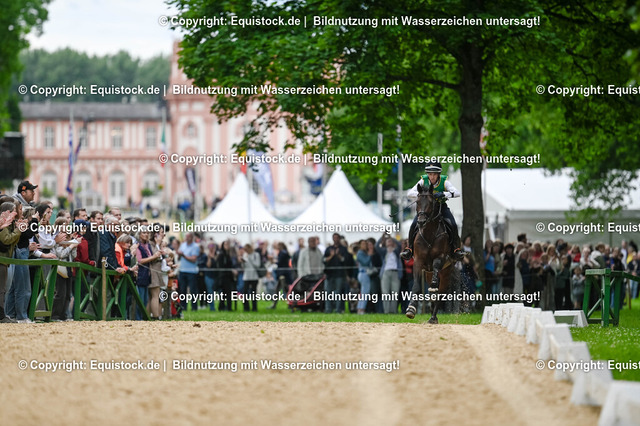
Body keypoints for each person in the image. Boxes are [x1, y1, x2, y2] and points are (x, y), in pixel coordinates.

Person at [401, 161, 464, 261]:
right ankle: (409, 249)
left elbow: (457, 193)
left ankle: (456, 249)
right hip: (426, 209)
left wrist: (444, 194)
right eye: (430, 174)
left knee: (453, 224)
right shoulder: (423, 181)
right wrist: (424, 195)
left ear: (438, 174)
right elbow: (410, 193)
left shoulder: (445, 181)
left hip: (441, 207)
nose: (432, 177)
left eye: (434, 174)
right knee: (413, 225)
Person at [324, 233, 349, 313]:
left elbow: (345, 260)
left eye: (337, 238)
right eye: (334, 237)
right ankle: (328, 309)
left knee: (338, 292)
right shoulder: (328, 249)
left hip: (339, 274)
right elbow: (324, 260)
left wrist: (338, 255)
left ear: (339, 239)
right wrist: (331, 256)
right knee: (328, 292)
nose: (336, 239)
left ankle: (338, 309)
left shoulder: (343, 249)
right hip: (329, 274)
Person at [176, 232, 200, 312]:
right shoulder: (183, 245)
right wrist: (179, 255)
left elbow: (193, 259)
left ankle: (194, 307)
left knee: (193, 290)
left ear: (192, 237)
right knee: (183, 290)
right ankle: (183, 307)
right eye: (186, 236)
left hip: (192, 271)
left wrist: (183, 255)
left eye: (188, 237)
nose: (187, 238)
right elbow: (179, 257)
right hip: (182, 270)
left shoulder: (195, 246)